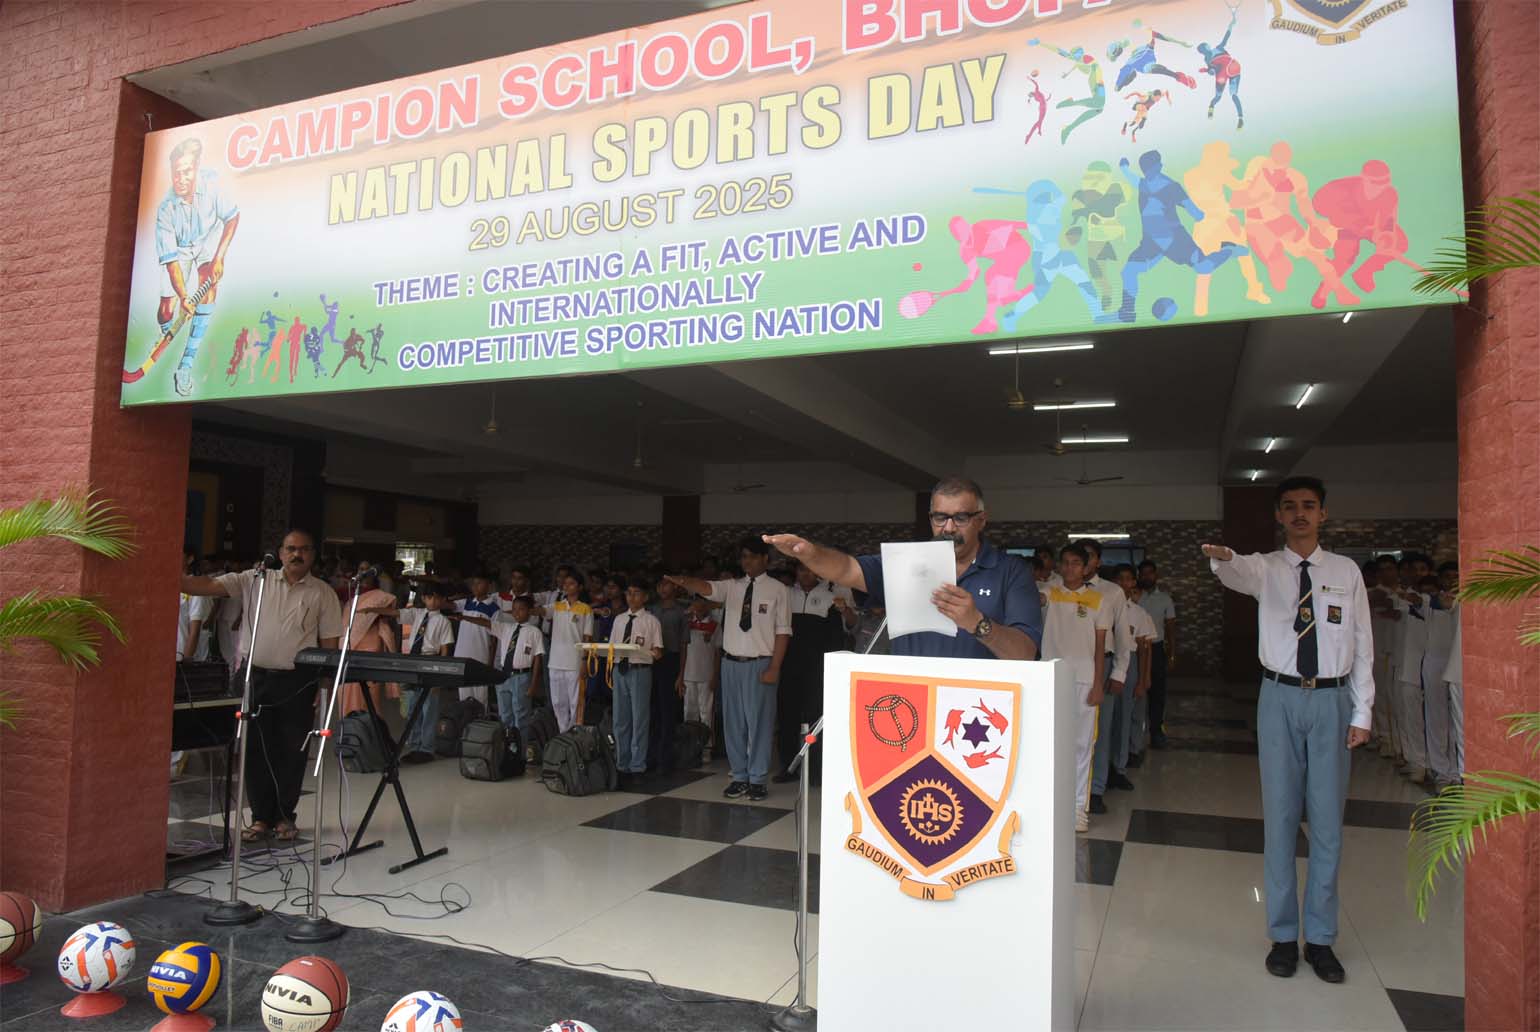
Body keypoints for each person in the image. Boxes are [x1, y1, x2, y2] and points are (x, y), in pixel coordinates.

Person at [1202, 475, 1372, 984]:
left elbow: (1362, 642)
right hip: (1278, 697)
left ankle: (1320, 939)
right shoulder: (1267, 568)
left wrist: (1362, 712)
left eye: (1309, 505)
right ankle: (1281, 935)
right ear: (1279, 515)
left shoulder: (1346, 571)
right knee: (1278, 819)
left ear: (1323, 514)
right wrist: (1223, 557)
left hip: (1332, 699)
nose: (1300, 513)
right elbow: (1236, 571)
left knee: (1327, 823)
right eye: (1291, 506)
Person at [765, 476, 1042, 662]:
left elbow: (1026, 654)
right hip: (914, 701)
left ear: (981, 520)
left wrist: (977, 624)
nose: (948, 528)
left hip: (979, 712)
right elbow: (847, 569)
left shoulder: (1011, 572)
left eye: (960, 518)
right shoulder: (906, 563)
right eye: (940, 517)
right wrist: (811, 554)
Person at [180, 530, 342, 842]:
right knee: (254, 748)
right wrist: (168, 571)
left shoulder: (323, 593)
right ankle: (260, 818)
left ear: (313, 555)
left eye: (304, 549)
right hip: (255, 677)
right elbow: (207, 586)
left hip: (298, 681)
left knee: (292, 749)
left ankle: (284, 816)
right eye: (291, 549)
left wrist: (325, 685)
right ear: (279, 553)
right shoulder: (255, 579)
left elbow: (330, 645)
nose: (297, 555)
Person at [666, 536, 792, 802]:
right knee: (733, 722)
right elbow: (707, 587)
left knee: (759, 723)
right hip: (731, 663)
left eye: (752, 556)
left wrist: (775, 667)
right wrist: (684, 581)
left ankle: (757, 779)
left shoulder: (778, 590)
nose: (747, 561)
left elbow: (783, 632)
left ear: (765, 559)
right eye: (744, 557)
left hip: (760, 663)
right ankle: (739, 777)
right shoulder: (732, 587)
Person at [151, 137, 240, 398]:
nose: (181, 178)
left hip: (207, 239)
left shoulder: (213, 187)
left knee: (209, 286)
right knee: (167, 309)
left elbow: (232, 217)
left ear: (197, 167)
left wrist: (219, 257)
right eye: (176, 172)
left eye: (187, 171)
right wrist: (182, 297)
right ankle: (167, 334)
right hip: (180, 249)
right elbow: (171, 263)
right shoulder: (165, 210)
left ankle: (185, 365)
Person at [1040, 543, 1115, 834]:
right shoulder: (1049, 592)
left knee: (1082, 746)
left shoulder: (1099, 600)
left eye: (1076, 563)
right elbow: (1036, 600)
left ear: (1086, 568)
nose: (1069, 568)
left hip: (1084, 680)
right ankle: (1051, 805)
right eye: (1065, 562)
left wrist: (1098, 684)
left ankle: (1078, 809)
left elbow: (1100, 647)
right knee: (1050, 743)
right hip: (1051, 678)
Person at [772, 562, 856, 784]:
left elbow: (849, 627)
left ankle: (816, 770)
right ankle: (788, 767)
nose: (805, 574)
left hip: (817, 669)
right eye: (801, 569)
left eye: (810, 569)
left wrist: (844, 609)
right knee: (787, 716)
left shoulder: (831, 596)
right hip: (789, 666)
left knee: (816, 717)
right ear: (796, 572)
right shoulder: (787, 594)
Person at [1082, 539, 1133, 812]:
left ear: (1098, 561)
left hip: (1102, 663)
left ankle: (1096, 789)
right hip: (1068, 665)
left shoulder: (1112, 592)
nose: (1083, 562)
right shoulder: (1056, 589)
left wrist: (1120, 672)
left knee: (1100, 730)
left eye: (1088, 557)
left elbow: (1123, 635)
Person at [396, 582, 456, 763]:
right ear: (423, 598)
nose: (433, 601)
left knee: (429, 707)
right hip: (414, 661)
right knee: (413, 707)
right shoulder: (417, 614)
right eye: (430, 597)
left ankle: (426, 748)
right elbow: (396, 613)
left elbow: (445, 649)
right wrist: (372, 610)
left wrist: (440, 676)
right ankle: (414, 745)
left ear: (442, 600)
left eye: (437, 598)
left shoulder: (443, 621)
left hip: (431, 661)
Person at [611, 582, 665, 783]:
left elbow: (658, 651)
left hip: (640, 671)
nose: (631, 597)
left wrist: (652, 652)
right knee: (620, 719)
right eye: (629, 593)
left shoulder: (651, 621)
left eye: (636, 593)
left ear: (645, 597)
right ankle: (621, 763)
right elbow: (612, 646)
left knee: (639, 718)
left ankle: (637, 765)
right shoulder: (619, 619)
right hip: (620, 669)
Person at [339, 566, 399, 718]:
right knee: (348, 687)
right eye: (361, 569)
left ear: (374, 575)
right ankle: (349, 725)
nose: (363, 573)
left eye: (367, 570)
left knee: (370, 693)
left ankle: (370, 727)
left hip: (371, 645)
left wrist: (373, 611)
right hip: (350, 646)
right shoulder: (350, 596)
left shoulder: (382, 596)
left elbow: (389, 619)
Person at [648, 577, 692, 773]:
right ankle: (651, 755)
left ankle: (665, 759)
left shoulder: (681, 612)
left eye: (666, 584)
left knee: (668, 711)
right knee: (652, 710)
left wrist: (681, 674)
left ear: (675, 586)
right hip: (651, 660)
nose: (662, 588)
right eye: (659, 585)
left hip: (671, 660)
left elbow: (683, 645)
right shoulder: (651, 610)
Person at [1115, 564, 1157, 762]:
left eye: (1127, 579)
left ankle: (1125, 756)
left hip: (1131, 661)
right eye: (1119, 579)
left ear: (1133, 582)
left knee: (1128, 713)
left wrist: (1143, 678)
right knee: (1111, 715)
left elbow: (1144, 649)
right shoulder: (1105, 606)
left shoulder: (1138, 613)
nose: (1123, 583)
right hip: (1110, 657)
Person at [490, 595, 544, 747]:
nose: (517, 613)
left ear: (529, 611)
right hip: (504, 676)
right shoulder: (506, 628)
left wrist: (533, 684)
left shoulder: (534, 632)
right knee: (504, 715)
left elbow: (538, 659)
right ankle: (507, 748)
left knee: (521, 716)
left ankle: (520, 749)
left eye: (521, 609)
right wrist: (464, 618)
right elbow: (487, 623)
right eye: (514, 609)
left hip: (522, 676)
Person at [1136, 559, 1176, 748]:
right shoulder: (1134, 597)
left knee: (1157, 693)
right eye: (1143, 573)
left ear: (1156, 575)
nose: (1147, 577)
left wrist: (1172, 654)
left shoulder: (1165, 599)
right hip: (1135, 650)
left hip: (1157, 649)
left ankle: (1156, 732)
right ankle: (1134, 735)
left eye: (1150, 573)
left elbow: (1170, 628)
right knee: (1136, 691)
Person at [447, 572, 501, 712]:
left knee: (480, 696)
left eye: (479, 583)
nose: (475, 586)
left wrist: (490, 662)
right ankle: (466, 721)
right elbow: (450, 605)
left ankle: (480, 721)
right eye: (473, 583)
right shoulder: (467, 603)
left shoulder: (494, 609)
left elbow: (494, 638)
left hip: (480, 656)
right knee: (464, 694)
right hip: (462, 655)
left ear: (489, 586)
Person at [547, 572, 594, 732]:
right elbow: (540, 611)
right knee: (557, 702)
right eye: (565, 583)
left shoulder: (585, 609)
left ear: (580, 587)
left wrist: (584, 661)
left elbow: (587, 638)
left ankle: (574, 735)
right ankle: (563, 733)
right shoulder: (557, 606)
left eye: (571, 583)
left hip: (575, 662)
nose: (566, 586)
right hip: (555, 661)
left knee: (576, 702)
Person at [682, 595, 723, 762]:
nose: (698, 605)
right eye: (695, 601)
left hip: (706, 675)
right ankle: (689, 748)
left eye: (701, 601)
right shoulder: (686, 623)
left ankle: (706, 749)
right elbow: (682, 649)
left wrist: (715, 676)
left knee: (706, 713)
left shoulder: (714, 625)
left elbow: (718, 653)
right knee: (689, 712)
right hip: (688, 674)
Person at [177, 551, 214, 662]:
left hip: (180, 653)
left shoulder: (195, 587)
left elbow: (195, 631)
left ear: (190, 559)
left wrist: (186, 661)